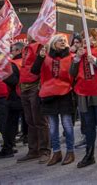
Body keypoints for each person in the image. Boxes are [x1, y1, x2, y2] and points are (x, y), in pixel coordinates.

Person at [71, 28, 97, 168]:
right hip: (83, 91)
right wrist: (77, 58)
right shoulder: (80, 52)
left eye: (88, 37)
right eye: (84, 38)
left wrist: (95, 61)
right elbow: (72, 73)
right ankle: (89, 154)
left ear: (95, 38)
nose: (85, 40)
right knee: (88, 125)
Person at [31, 34, 76, 166]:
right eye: (60, 40)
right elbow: (34, 71)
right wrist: (40, 57)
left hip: (65, 93)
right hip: (49, 95)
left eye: (64, 41)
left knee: (67, 124)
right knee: (53, 127)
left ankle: (70, 151)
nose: (63, 42)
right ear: (53, 43)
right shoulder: (45, 57)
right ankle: (56, 152)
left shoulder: (72, 57)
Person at [17, 36, 51, 164]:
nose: (30, 33)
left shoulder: (41, 45)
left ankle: (45, 151)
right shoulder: (26, 47)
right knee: (30, 120)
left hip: (35, 85)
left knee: (40, 120)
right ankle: (33, 150)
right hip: (24, 86)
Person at [0, 42, 25, 159]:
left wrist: (2, 75)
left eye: (12, 50)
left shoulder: (13, 63)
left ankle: (8, 148)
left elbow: (13, 81)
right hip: (21, 95)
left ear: (18, 51)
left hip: (13, 96)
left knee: (8, 123)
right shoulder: (22, 62)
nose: (10, 52)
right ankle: (11, 145)